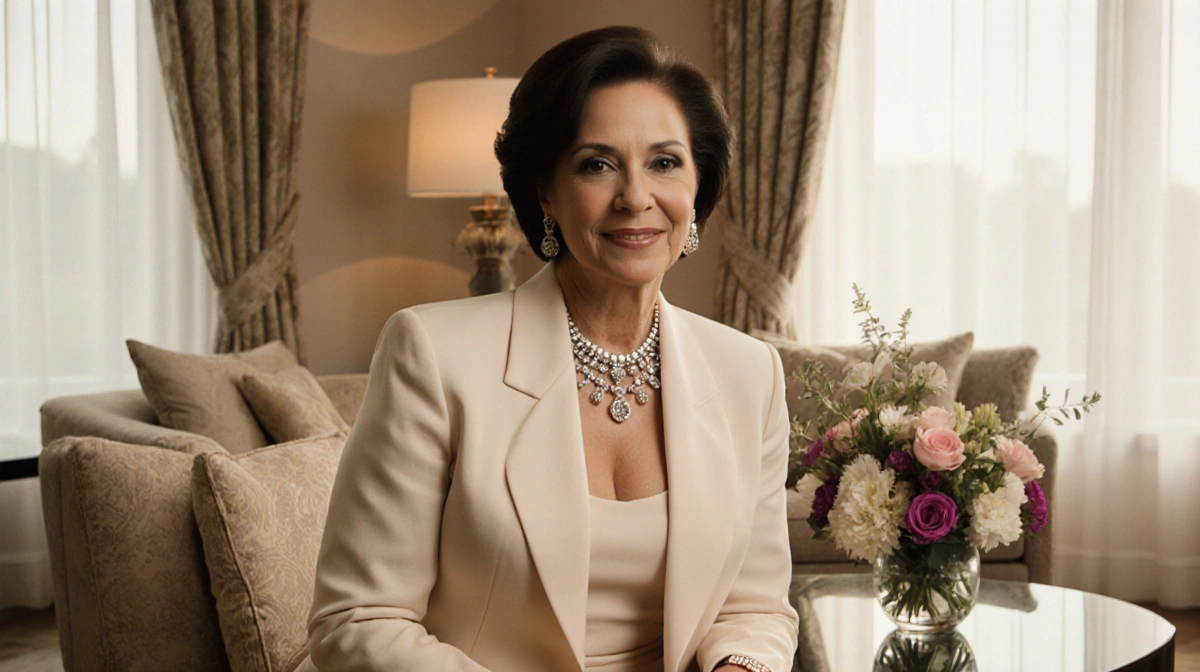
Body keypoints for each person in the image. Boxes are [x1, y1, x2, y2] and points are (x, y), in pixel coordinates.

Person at [304, 26, 798, 672]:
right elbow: (358, 620)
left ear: (698, 187)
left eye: (664, 162)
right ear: (545, 192)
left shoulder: (750, 373)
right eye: (597, 164)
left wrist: (740, 666)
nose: (636, 197)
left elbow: (754, 609)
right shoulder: (431, 354)